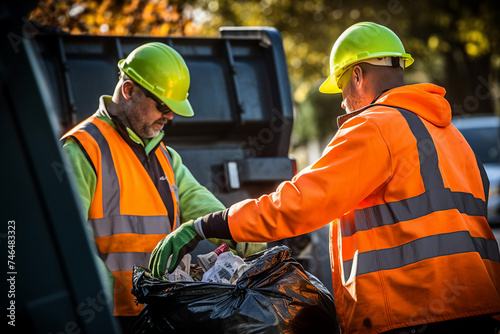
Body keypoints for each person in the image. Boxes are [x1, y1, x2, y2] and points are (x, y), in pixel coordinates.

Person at [149, 22, 500, 334]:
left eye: (343, 88)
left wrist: (209, 225)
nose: (343, 102)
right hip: (480, 309)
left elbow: (300, 203)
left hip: (413, 314)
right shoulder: (452, 136)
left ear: (358, 76)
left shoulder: (374, 126)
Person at [61, 42, 265, 333]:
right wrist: (99, 310)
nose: (170, 116)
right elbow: (68, 243)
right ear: (129, 90)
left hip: (161, 315)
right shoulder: (81, 150)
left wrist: (248, 238)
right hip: (111, 320)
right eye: (163, 106)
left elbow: (203, 206)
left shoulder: (166, 157)